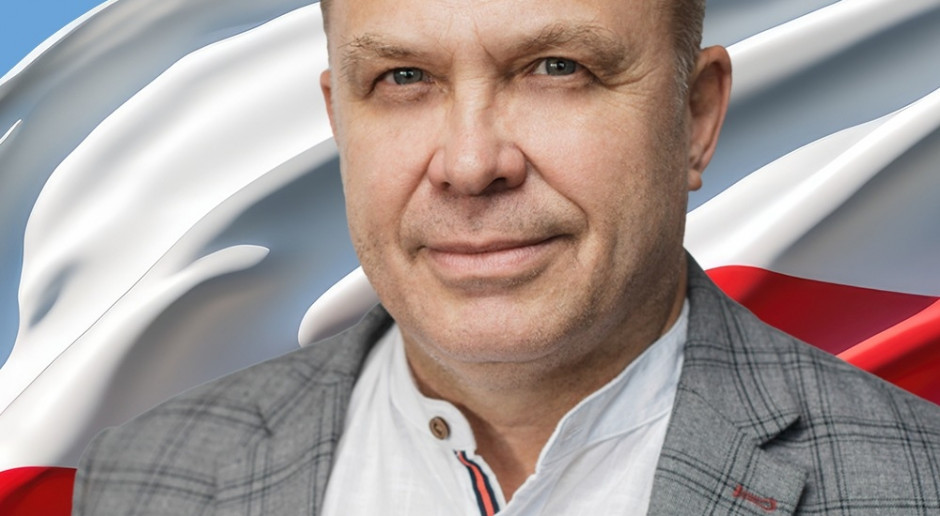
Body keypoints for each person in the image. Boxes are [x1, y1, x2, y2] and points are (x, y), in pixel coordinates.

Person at [73, 0, 940, 514]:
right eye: (403, 78)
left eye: (556, 67)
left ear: (696, 118)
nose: (469, 163)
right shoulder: (145, 480)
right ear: (340, 121)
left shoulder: (917, 482)